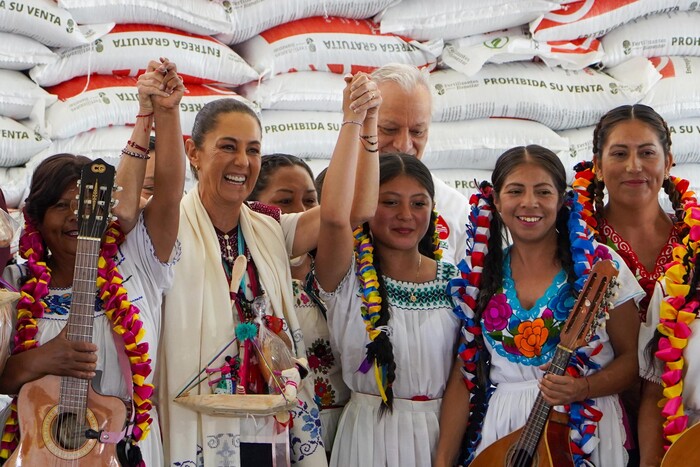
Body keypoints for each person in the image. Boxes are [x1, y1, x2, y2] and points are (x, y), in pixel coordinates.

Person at [160, 90, 386, 465]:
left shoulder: (269, 230)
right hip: (198, 416)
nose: (242, 161)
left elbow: (350, 211)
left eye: (252, 150)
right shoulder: (167, 229)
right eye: (228, 147)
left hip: (270, 416)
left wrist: (359, 122)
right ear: (193, 152)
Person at [0, 58, 186, 465]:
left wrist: (165, 113)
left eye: (84, 205)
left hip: (119, 453)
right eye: (61, 206)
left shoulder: (136, 262)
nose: (75, 217)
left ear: (103, 211)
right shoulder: (15, 283)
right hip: (38, 453)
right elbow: (2, 379)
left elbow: (170, 194)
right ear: (36, 216)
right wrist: (38, 359)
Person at [435, 145, 644, 467]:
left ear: (562, 200)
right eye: (515, 191)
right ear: (496, 201)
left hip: (583, 425)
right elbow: (465, 376)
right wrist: (443, 461)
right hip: (502, 435)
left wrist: (582, 387)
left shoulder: (599, 265)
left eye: (543, 191)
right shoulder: (480, 277)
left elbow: (632, 360)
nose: (529, 203)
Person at [314, 71, 460, 467]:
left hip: (438, 439)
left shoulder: (454, 283)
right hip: (367, 438)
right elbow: (333, 218)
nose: (405, 216)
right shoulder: (346, 277)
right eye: (389, 202)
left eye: (418, 203)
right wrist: (357, 122)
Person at [572, 104, 694, 464]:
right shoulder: (577, 242)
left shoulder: (694, 243)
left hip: (681, 417)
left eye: (647, 153)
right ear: (597, 164)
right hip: (598, 417)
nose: (634, 167)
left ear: (668, 161)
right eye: (620, 154)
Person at [248, 154, 350, 455]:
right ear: (255, 209)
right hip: (281, 435)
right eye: (285, 202)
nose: (301, 212)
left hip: (347, 432)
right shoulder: (249, 286)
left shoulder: (339, 273)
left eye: (310, 201)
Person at [371, 63, 469, 267]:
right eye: (389, 129)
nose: (404, 145)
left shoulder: (455, 209)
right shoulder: (335, 198)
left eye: (417, 132)